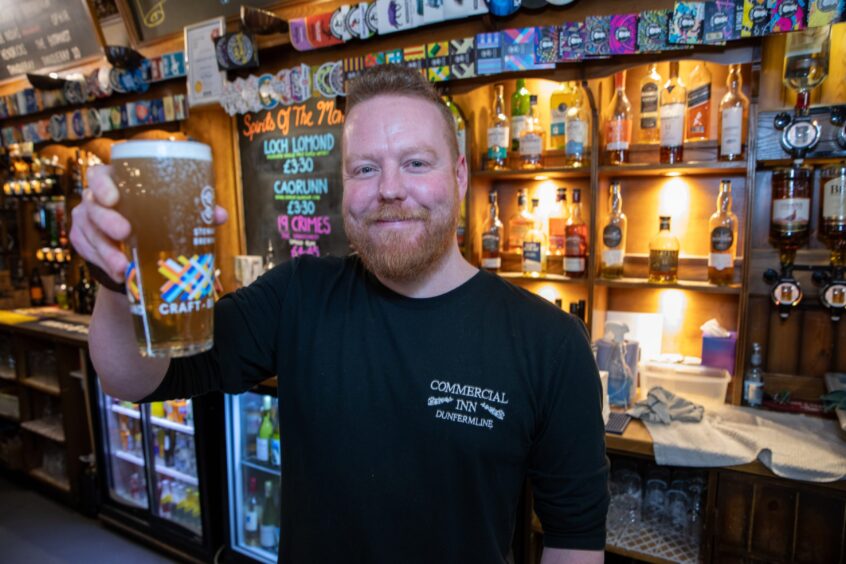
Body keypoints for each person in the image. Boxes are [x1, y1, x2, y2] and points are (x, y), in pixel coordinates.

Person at [71, 64, 609, 564]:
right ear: (344, 185)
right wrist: (114, 276)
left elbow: (574, 538)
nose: (390, 189)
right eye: (365, 168)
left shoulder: (550, 342)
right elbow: (135, 379)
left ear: (460, 175)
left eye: (416, 163)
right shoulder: (299, 295)